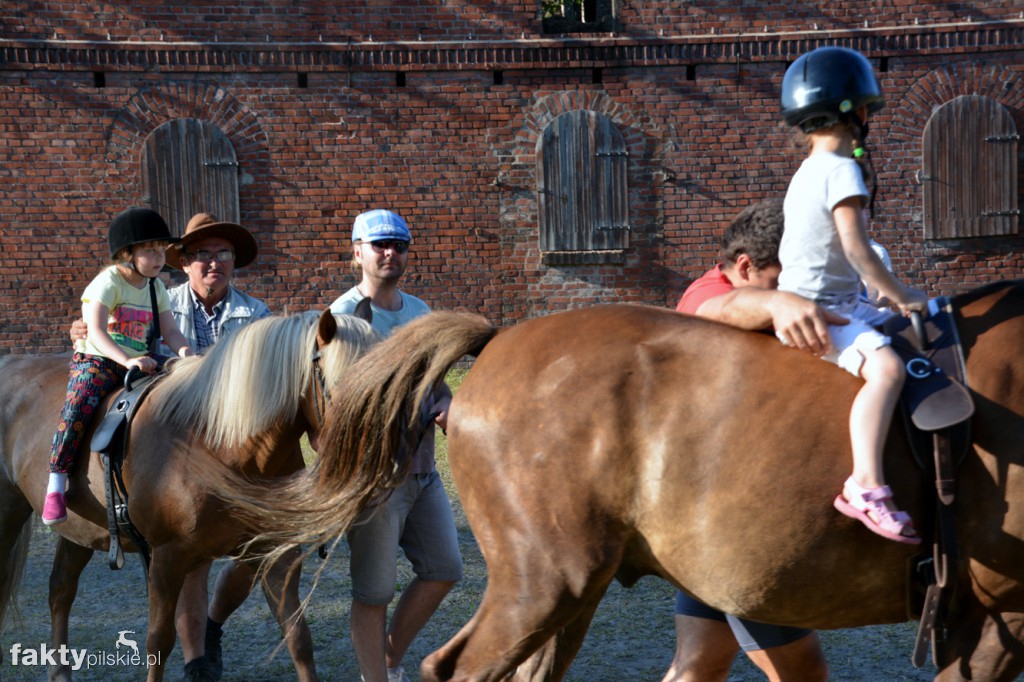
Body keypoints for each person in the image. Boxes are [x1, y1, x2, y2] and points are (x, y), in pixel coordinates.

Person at [69, 212, 271, 682]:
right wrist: (82, 331)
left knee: (262, 551)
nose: (213, 263)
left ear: (234, 262)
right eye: (201, 254)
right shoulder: (159, 298)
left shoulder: (257, 315)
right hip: (181, 445)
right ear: (183, 262)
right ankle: (196, 660)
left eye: (223, 254)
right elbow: (108, 327)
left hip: (236, 445)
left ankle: (214, 623)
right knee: (190, 554)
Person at [665, 200, 831, 682]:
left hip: (711, 517)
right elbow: (721, 308)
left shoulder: (741, 285)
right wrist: (776, 303)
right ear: (744, 267)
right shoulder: (706, 294)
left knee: (699, 667)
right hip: (736, 523)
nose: (790, 293)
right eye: (780, 282)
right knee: (804, 674)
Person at [778, 45, 928, 543]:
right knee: (887, 368)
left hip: (824, 295)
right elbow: (859, 250)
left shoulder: (807, 169)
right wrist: (901, 293)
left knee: (904, 339)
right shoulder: (843, 170)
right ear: (858, 111)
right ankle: (865, 483)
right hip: (827, 308)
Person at [328, 209, 462, 682]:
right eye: (380, 244)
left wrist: (448, 407)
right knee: (374, 591)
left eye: (399, 245)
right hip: (374, 477)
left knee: (444, 568)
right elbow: (339, 400)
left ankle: (387, 659)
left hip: (424, 470)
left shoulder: (420, 312)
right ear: (357, 252)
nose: (390, 253)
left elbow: (438, 384)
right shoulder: (342, 317)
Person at [43, 207, 193, 526]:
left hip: (139, 361)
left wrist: (186, 354)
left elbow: (170, 331)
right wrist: (127, 359)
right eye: (150, 250)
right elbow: (95, 330)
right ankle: (56, 482)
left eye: (161, 250)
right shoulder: (108, 281)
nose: (159, 257)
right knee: (78, 407)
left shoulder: (156, 287)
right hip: (99, 358)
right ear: (127, 253)